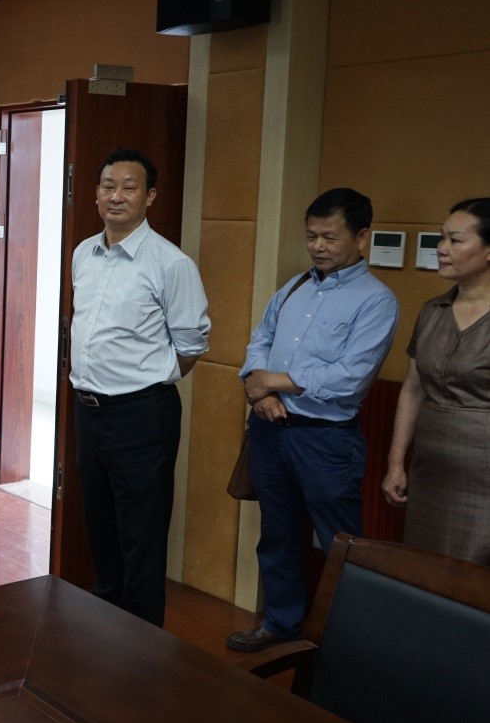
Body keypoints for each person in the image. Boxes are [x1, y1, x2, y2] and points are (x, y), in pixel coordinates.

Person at [228, 187, 399, 652]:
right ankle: (281, 623)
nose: (318, 246)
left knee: (340, 543)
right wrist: (260, 390)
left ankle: (352, 643)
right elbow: (260, 340)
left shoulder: (376, 300)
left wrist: (274, 381)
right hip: (271, 430)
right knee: (277, 534)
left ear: (362, 237)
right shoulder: (294, 286)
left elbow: (350, 377)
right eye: (311, 236)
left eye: (330, 237)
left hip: (325, 440)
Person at [70, 149, 210, 627]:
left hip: (142, 414)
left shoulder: (171, 264)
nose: (117, 196)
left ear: (150, 197)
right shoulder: (83, 254)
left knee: (142, 536)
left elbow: (190, 345)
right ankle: (105, 631)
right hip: (88, 412)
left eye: (129, 188)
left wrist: (145, 384)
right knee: (101, 529)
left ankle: (141, 645)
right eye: (108, 186)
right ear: (95, 193)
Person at [382, 198, 490, 565]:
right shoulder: (432, 311)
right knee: (424, 565)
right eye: (441, 238)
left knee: (472, 574)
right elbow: (413, 391)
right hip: (430, 466)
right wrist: (396, 463)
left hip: (483, 471)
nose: (442, 249)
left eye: (456, 240)